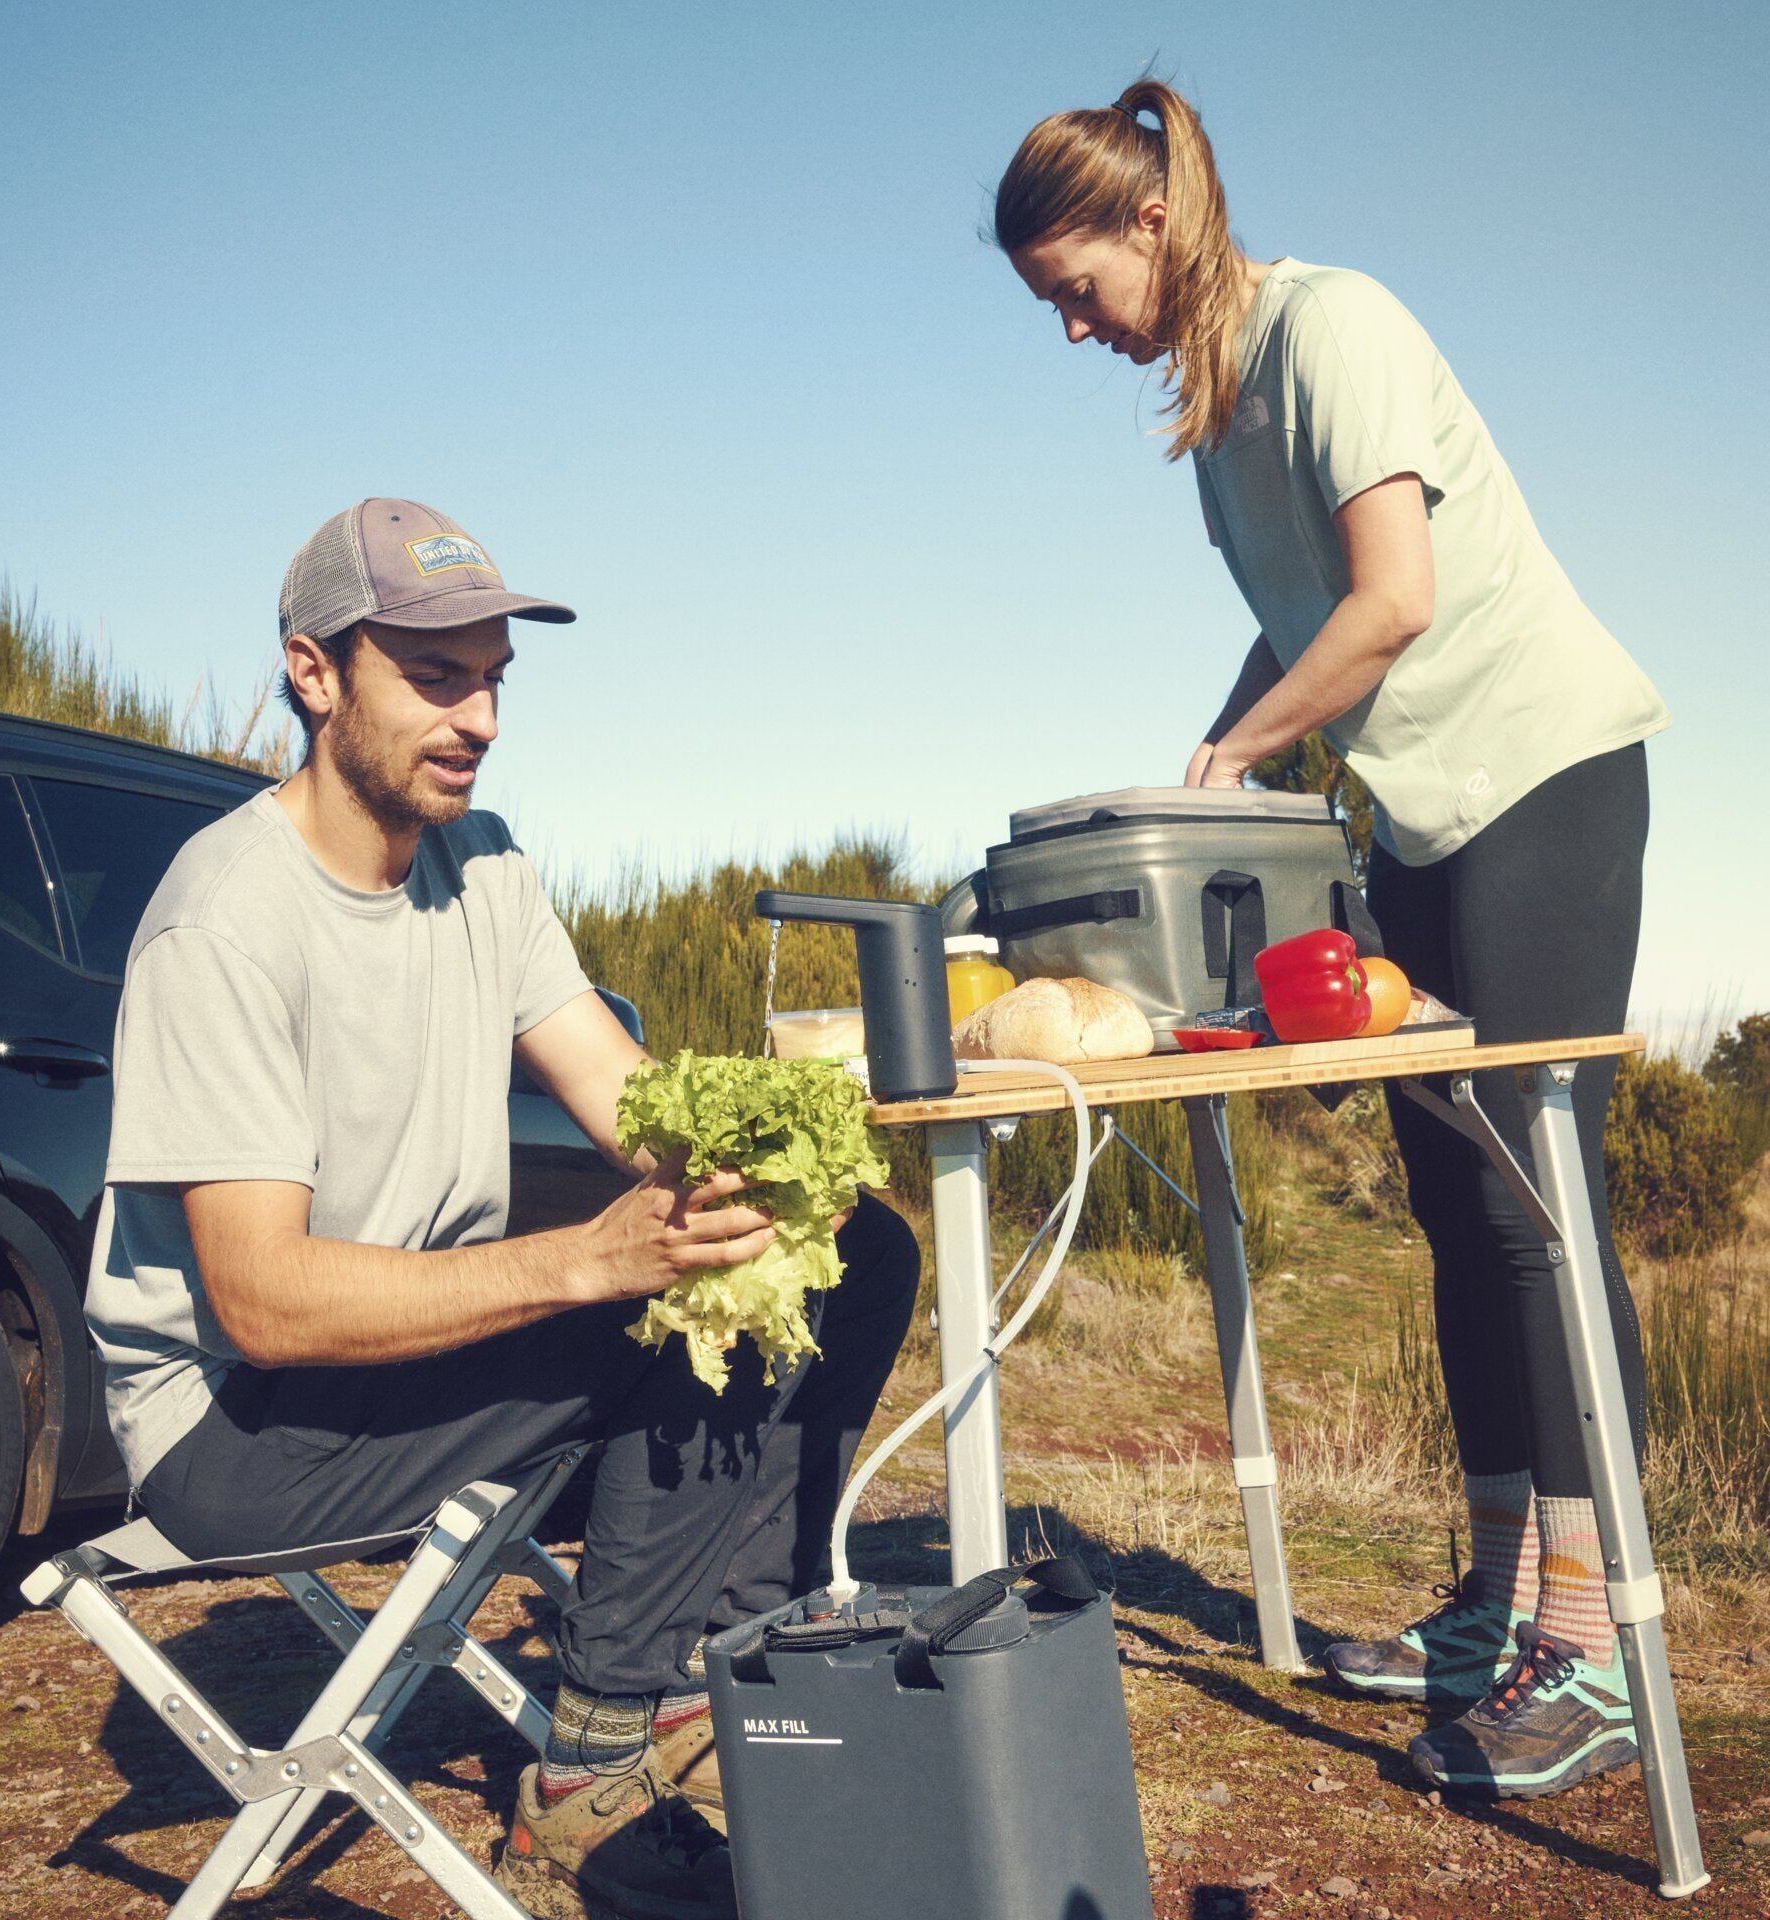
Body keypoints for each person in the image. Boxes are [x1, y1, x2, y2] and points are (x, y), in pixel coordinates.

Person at [82, 497, 920, 1919]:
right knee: (644, 1308)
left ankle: (736, 1677)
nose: (476, 716)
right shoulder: (224, 923)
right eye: (433, 677)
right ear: (314, 674)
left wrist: (763, 1171)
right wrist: (593, 1261)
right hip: (235, 1422)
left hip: (394, 1351)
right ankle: (598, 1765)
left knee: (839, 1252)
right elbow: (263, 1300)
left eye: (490, 680)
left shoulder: (486, 866)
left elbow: (627, 1097)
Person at [994, 83, 1667, 1800]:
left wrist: (1242, 753)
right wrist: (1196, 772)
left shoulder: (1332, 323)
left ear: (1148, 220)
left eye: (1074, 285)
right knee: (1454, 1207)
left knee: (1535, 1203)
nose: (1073, 327)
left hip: (1543, 777)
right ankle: (1497, 1601)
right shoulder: (1220, 420)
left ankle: (1594, 1657)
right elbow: (1292, 642)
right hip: (1417, 814)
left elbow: (1391, 600)